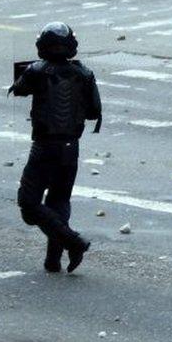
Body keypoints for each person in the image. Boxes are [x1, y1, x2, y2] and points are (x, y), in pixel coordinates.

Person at [10, 22, 102, 273]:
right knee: (59, 201)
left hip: (43, 147)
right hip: (71, 148)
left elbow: (18, 90)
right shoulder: (84, 73)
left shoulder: (36, 71)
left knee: (29, 205)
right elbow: (94, 111)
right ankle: (53, 261)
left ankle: (74, 242)